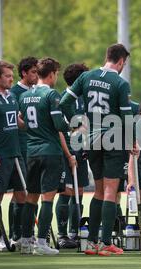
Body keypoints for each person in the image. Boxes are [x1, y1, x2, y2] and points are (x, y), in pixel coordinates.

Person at [60, 43, 135, 256]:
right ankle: (105, 242)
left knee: (99, 191)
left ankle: (92, 243)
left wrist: (78, 125)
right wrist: (132, 142)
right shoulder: (120, 83)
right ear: (120, 61)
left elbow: (65, 103)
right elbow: (126, 118)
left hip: (91, 140)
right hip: (113, 140)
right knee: (111, 191)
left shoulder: (86, 77)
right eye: (124, 63)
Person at [18, 57, 70, 255]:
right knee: (47, 199)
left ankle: (24, 241)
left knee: (31, 198)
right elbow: (59, 125)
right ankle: (41, 243)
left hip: (31, 151)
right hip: (50, 151)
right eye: (56, 74)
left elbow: (22, 123)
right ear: (51, 74)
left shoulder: (24, 96)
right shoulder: (51, 94)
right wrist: (73, 126)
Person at [0, 61, 26, 252]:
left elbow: (16, 122)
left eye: (12, 76)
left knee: (23, 194)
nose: (11, 79)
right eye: (7, 76)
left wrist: (29, 122)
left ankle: (18, 236)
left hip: (16, 153)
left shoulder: (12, 97)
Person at [55, 63, 90, 249]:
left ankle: (75, 232)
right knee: (66, 191)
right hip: (67, 150)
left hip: (82, 150)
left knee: (80, 190)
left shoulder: (85, 99)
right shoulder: (63, 98)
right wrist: (68, 153)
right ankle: (61, 235)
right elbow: (60, 129)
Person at [8, 56, 38, 244]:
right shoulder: (14, 92)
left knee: (28, 192)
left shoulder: (38, 91)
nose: (36, 75)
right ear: (24, 73)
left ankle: (24, 233)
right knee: (20, 193)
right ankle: (16, 234)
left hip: (33, 148)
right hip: (19, 148)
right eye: (33, 72)